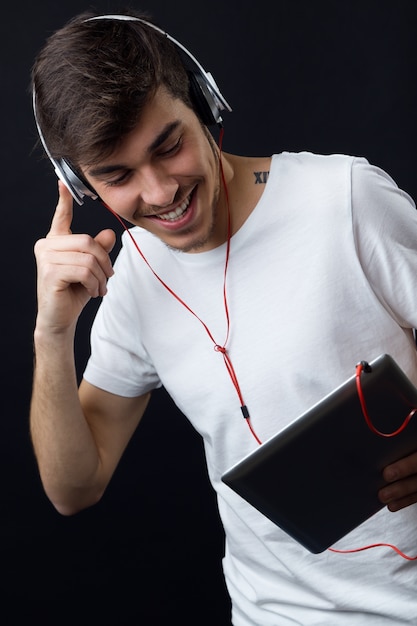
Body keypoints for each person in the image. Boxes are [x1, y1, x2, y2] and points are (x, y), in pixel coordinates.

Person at [30, 9, 417, 625]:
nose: (159, 193)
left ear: (206, 103)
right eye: (117, 175)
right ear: (80, 185)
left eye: (169, 146)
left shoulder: (345, 199)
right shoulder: (132, 279)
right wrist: (52, 333)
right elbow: (74, 488)